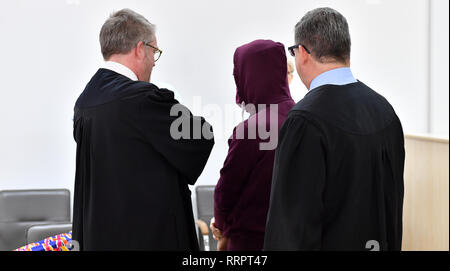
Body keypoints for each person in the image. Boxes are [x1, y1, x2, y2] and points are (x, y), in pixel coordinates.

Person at [72, 9, 214, 251]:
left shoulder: (85, 102)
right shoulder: (141, 99)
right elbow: (200, 135)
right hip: (147, 236)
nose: (153, 62)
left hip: (102, 236)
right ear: (140, 49)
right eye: (154, 52)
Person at [264, 7, 405, 251]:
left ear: (303, 53)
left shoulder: (304, 121)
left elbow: (291, 229)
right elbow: (392, 209)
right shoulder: (385, 111)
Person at [210, 40, 295, 251]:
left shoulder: (252, 128)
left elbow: (227, 191)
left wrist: (220, 226)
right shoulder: (305, 118)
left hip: (252, 243)